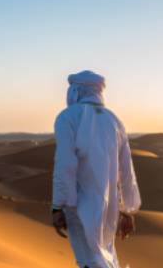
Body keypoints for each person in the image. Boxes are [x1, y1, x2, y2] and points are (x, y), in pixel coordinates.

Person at [51, 70, 142, 268]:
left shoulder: (67, 118)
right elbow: (127, 171)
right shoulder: (114, 120)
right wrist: (127, 209)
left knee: (90, 261)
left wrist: (58, 205)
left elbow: (65, 164)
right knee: (105, 259)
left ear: (76, 91)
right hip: (109, 208)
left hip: (78, 204)